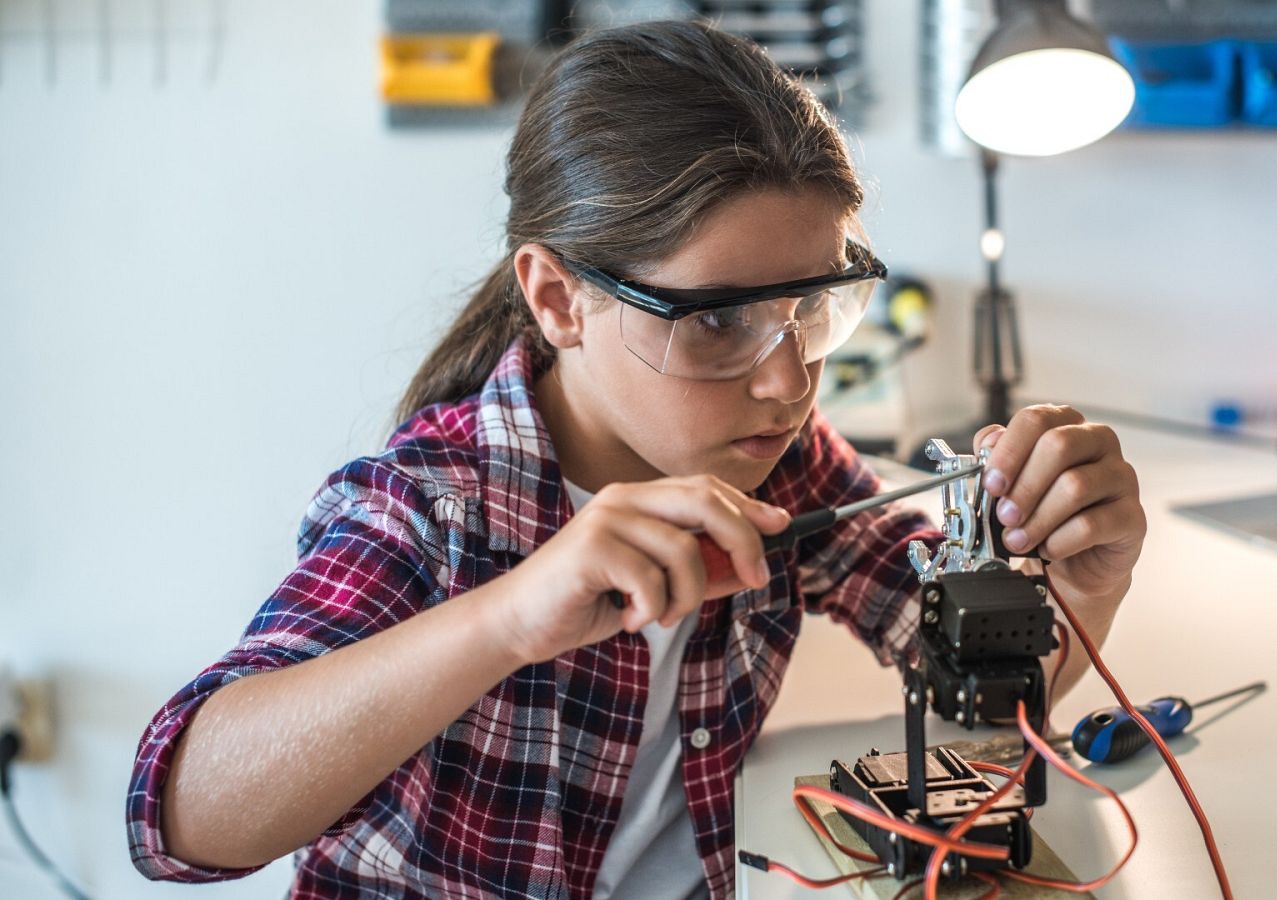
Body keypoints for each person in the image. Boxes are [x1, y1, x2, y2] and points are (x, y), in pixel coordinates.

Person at [125, 20, 1145, 900]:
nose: (787, 382)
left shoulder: (778, 465)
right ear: (560, 300)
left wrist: (1085, 587)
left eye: (811, 311)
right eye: (718, 324)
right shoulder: (431, 504)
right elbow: (177, 822)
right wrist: (510, 616)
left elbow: (978, 691)